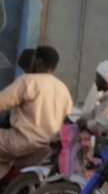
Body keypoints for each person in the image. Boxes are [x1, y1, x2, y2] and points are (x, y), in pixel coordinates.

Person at [0, 46, 73, 180]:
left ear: (38, 61)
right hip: (48, 147)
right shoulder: (63, 88)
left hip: (23, 142)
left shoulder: (28, 81)